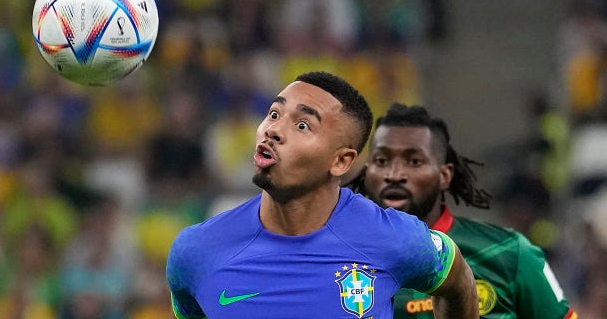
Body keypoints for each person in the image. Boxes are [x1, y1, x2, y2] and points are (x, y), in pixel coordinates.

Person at [166, 71, 478, 318]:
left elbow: (459, 280)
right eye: (274, 114)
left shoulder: (395, 239)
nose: (272, 130)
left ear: (341, 161)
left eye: (302, 125)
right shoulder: (195, 252)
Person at [345, 103, 578, 318]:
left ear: (444, 175)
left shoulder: (510, 253)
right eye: (381, 161)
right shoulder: (336, 257)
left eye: (414, 161)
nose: (394, 175)